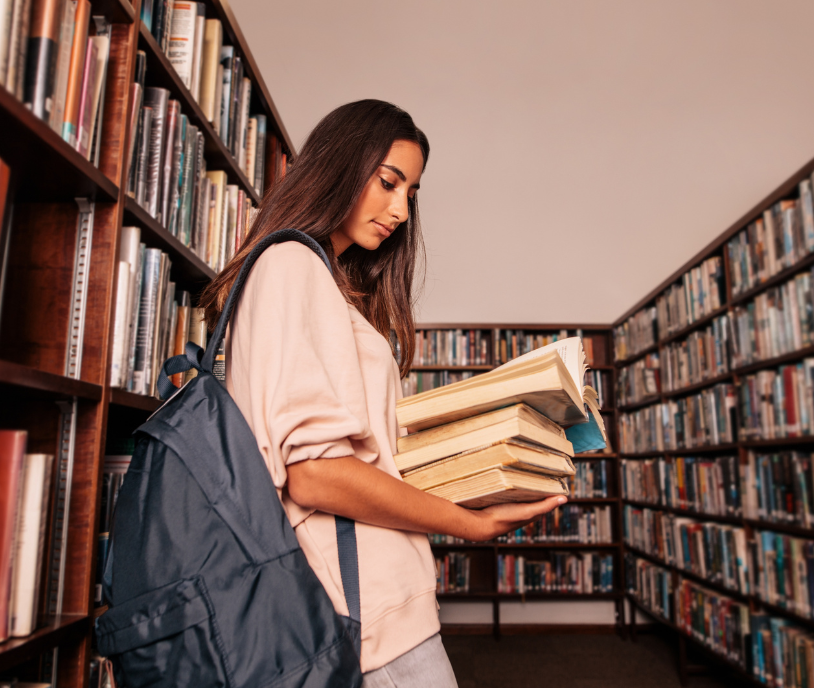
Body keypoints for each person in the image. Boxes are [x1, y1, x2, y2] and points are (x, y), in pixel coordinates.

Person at [200, 99, 565, 687]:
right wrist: (464, 523)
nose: (399, 209)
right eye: (388, 182)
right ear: (340, 165)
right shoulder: (292, 264)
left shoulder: (328, 282)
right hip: (360, 610)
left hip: (374, 600)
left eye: (411, 195)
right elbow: (314, 473)